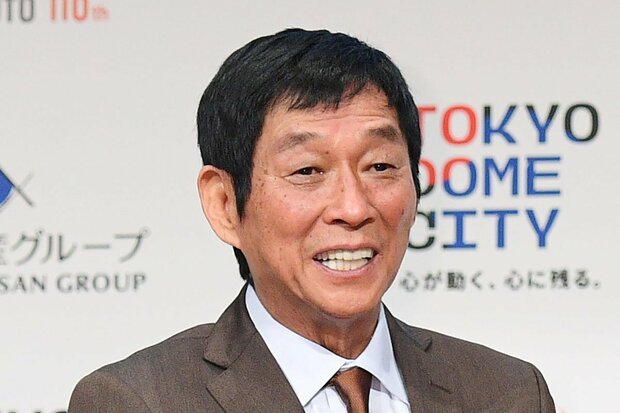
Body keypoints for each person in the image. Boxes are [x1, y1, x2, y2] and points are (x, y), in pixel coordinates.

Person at [68, 28, 555, 413]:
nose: (354, 208)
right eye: (307, 171)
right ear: (224, 204)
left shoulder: (509, 393)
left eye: (380, 166)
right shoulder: (140, 400)